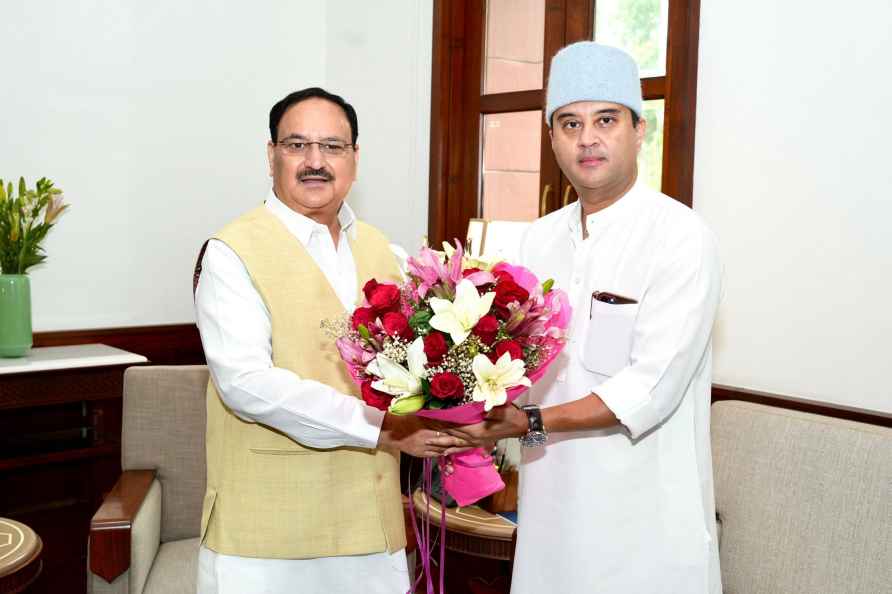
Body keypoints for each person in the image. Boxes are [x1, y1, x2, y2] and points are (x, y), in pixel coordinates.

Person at [445, 43, 723, 593]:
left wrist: (528, 423)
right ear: (551, 139)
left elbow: (653, 388)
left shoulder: (681, 238)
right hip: (550, 511)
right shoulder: (539, 238)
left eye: (606, 120)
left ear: (639, 130)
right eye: (569, 123)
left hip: (643, 521)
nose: (587, 138)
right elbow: (517, 365)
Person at [192, 87, 462, 594]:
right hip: (267, 540)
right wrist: (383, 428)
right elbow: (245, 384)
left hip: (370, 530)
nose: (315, 161)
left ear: (355, 159)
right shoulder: (231, 252)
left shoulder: (388, 251)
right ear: (271, 155)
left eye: (333, 147)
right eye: (297, 145)